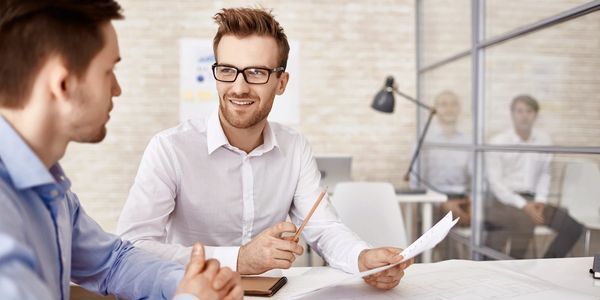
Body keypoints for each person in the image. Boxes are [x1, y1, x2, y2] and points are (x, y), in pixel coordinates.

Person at [117, 7, 412, 289]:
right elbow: (133, 249)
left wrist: (362, 259)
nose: (239, 87)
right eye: (228, 70)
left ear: (281, 82)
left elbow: (323, 228)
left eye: (256, 72)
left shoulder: (294, 148)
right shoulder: (169, 149)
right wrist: (240, 259)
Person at [0, 1, 242, 299]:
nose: (117, 89)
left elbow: (112, 261)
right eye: (108, 71)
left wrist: (187, 283)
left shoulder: (52, 187)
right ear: (62, 84)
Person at [485, 95, 583, 258]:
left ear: (535, 115)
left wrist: (541, 201)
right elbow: (496, 184)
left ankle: (547, 264)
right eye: (520, 111)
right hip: (507, 202)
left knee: (573, 228)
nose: (524, 116)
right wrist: (524, 205)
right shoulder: (498, 142)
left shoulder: (544, 140)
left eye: (529, 111)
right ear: (512, 114)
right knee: (524, 224)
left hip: (535, 202)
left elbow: (545, 174)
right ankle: (514, 270)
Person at [411, 91, 471, 226]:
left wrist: (472, 199)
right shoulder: (424, 140)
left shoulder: (469, 141)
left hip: (462, 197)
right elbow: (416, 182)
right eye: (444, 104)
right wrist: (440, 201)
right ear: (435, 109)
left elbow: (476, 176)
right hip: (434, 198)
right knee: (457, 216)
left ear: (460, 108)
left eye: (454, 104)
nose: (449, 109)